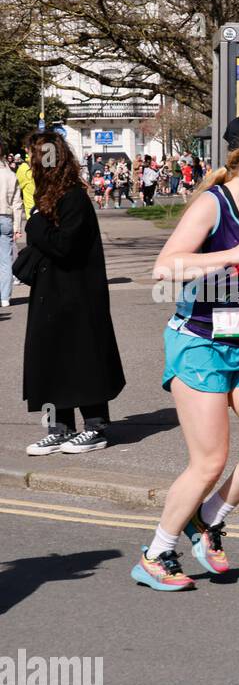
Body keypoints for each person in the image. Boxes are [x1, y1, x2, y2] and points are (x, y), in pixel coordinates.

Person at [133, 114, 239, 591]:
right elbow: (165, 267)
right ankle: (156, 552)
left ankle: (208, 518)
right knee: (209, 461)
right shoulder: (213, 204)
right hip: (200, 345)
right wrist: (231, 256)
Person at [20, 133, 125, 455]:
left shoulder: (73, 198)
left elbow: (64, 247)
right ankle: (59, 427)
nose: (28, 163)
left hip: (76, 296)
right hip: (50, 295)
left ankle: (95, 427)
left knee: (82, 360)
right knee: (50, 361)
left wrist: (34, 226)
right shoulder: (48, 197)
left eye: (31, 156)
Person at [0, 154, 21, 307]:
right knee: (6, 259)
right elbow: (17, 203)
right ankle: (5, 297)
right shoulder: (11, 175)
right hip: (6, 217)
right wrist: (17, 227)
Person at [16, 151, 35, 220]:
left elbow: (14, 188)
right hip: (45, 209)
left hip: (31, 212)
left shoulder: (23, 169)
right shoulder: (45, 169)